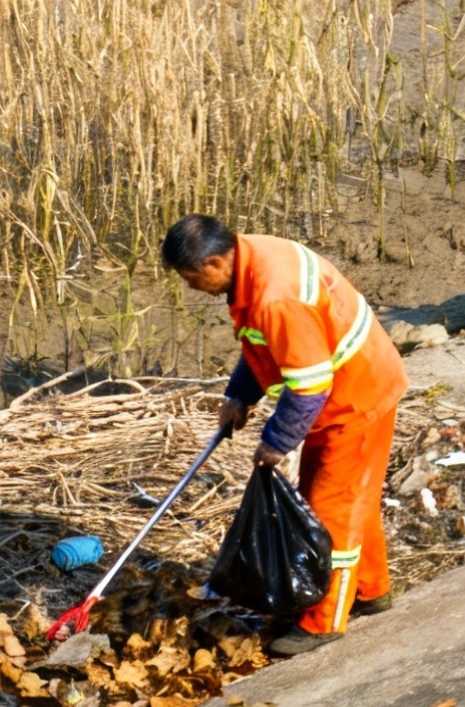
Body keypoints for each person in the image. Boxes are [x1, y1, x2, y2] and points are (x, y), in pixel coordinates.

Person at [164, 214, 407, 657]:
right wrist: (240, 394)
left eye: (191, 277)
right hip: (345, 388)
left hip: (354, 398)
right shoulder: (253, 258)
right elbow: (264, 344)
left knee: (332, 510)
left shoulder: (276, 297)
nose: (191, 287)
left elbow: (311, 385)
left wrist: (276, 441)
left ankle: (323, 621)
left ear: (216, 262)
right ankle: (372, 592)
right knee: (354, 496)